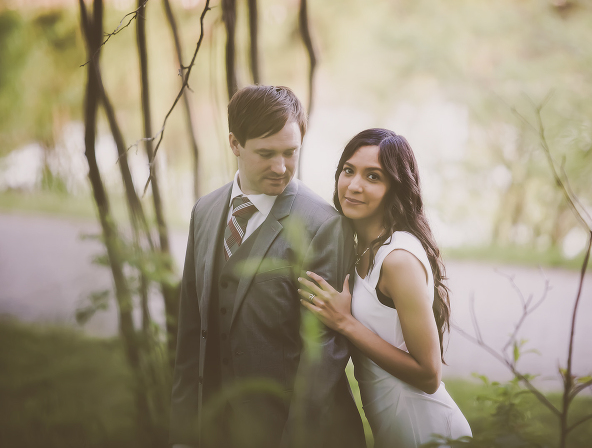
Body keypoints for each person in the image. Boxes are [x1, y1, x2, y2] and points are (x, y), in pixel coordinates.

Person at [169, 85, 366, 448]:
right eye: (265, 153)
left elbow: (322, 358)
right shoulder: (205, 211)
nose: (281, 168)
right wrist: (184, 433)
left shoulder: (324, 225)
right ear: (234, 144)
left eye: (290, 153)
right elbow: (191, 335)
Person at [298, 128, 472, 448]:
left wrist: (345, 323)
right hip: (394, 430)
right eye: (348, 170)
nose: (354, 185)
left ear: (395, 187)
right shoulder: (361, 249)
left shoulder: (398, 259)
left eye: (373, 176)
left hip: (426, 432)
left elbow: (429, 374)